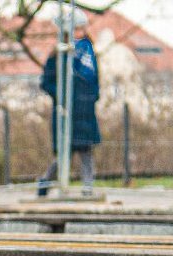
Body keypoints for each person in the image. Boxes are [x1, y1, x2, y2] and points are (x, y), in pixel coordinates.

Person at [37, 12, 100, 197]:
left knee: (86, 150)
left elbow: (96, 80)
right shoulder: (58, 55)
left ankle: (88, 186)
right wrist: (62, 96)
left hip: (85, 111)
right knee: (65, 153)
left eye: (80, 28)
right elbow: (47, 82)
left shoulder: (89, 54)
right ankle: (45, 181)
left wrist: (93, 97)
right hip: (66, 110)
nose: (79, 33)